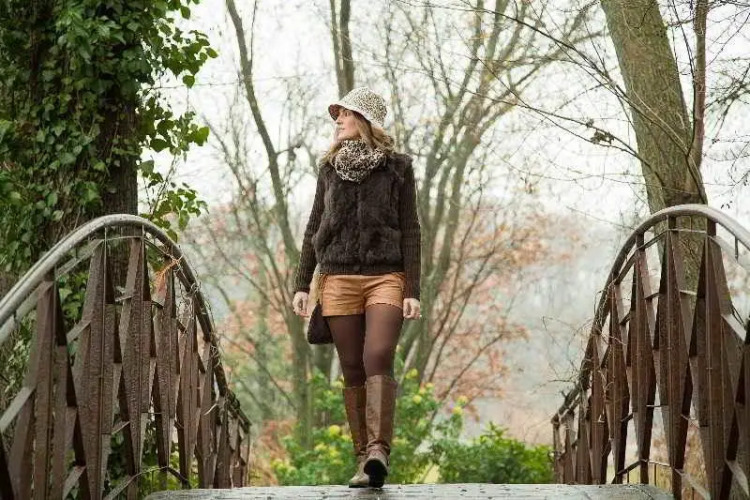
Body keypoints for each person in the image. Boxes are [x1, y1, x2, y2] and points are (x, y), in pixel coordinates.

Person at [291, 86, 422, 488]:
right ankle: (364, 460)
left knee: (377, 354)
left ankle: (379, 449)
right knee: (351, 367)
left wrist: (412, 289)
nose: (338, 120)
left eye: (345, 114)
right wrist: (302, 283)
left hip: (386, 276)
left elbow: (411, 229)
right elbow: (314, 226)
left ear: (364, 120)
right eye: (338, 115)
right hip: (337, 278)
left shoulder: (398, 168)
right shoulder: (329, 168)